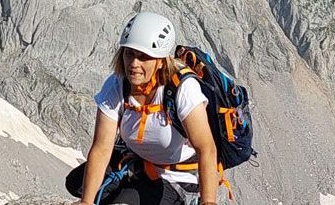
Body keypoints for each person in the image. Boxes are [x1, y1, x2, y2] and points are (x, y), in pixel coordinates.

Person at [66, 12, 220, 205]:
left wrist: (208, 202)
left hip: (175, 177)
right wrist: (86, 202)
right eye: (129, 53)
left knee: (122, 202)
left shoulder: (182, 88)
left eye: (144, 57)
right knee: (76, 184)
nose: (134, 64)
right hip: (136, 164)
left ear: (160, 61)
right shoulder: (117, 84)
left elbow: (206, 148)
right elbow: (102, 148)